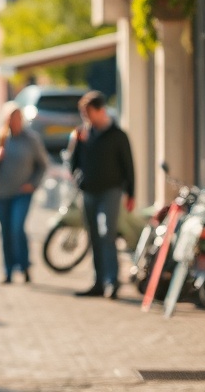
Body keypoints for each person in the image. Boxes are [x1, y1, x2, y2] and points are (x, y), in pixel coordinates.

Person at [70, 90, 135, 300]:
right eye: (83, 114)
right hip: (89, 192)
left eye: (88, 113)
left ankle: (112, 281)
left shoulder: (117, 135)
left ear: (100, 111)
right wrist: (76, 143)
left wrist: (131, 193)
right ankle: (98, 282)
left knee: (107, 234)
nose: (85, 118)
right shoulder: (83, 134)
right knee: (94, 237)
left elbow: (129, 166)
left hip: (111, 191)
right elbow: (74, 163)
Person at [0, 101, 49, 284]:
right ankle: (8, 271)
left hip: (22, 192)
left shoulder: (31, 140)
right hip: (1, 192)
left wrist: (33, 184)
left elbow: (42, 165)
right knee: (6, 231)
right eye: (10, 118)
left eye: (17, 118)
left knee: (17, 228)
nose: (14, 122)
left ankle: (24, 266)